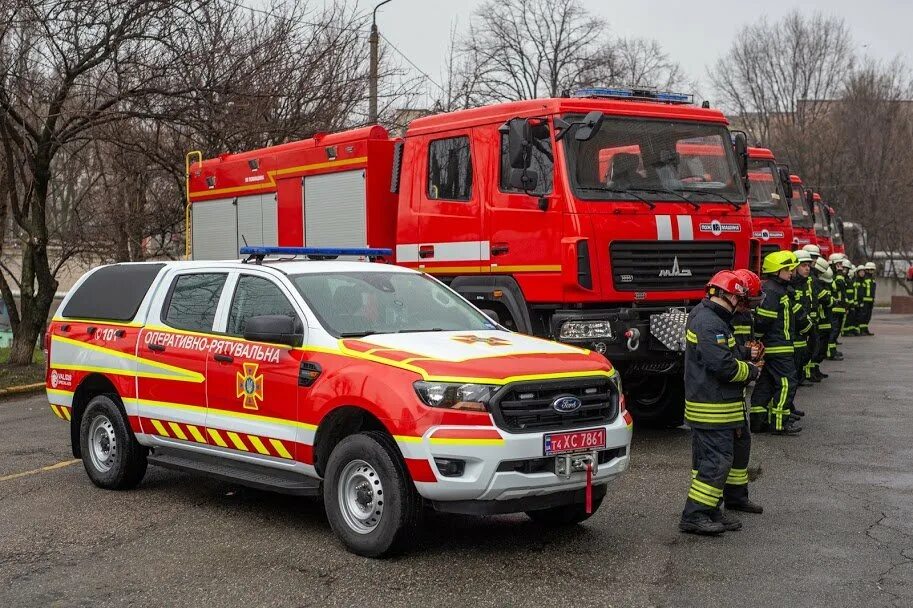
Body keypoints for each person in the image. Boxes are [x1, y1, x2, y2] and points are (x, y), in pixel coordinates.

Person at [680, 271, 762, 536]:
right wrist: (751, 370)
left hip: (720, 405)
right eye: (740, 298)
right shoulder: (708, 322)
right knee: (715, 463)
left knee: (716, 461)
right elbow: (722, 366)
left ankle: (712, 510)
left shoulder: (715, 319)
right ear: (728, 295)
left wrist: (744, 354)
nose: (741, 304)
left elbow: (723, 353)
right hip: (712, 407)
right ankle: (694, 515)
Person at [750, 250, 802, 436]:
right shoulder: (773, 290)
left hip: (776, 346)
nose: (790, 272)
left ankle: (757, 421)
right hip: (778, 347)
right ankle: (779, 423)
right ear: (776, 271)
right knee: (788, 382)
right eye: (787, 269)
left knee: (767, 383)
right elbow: (763, 321)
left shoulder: (776, 289)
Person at [791, 250, 816, 387]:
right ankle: (797, 379)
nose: (807, 268)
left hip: (804, 327)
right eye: (803, 265)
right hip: (795, 329)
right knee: (796, 355)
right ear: (795, 267)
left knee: (805, 352)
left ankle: (799, 378)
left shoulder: (805, 283)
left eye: (808, 265)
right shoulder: (792, 285)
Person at [808, 257, 834, 382]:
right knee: (816, 347)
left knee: (819, 347)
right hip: (819, 320)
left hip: (822, 319)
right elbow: (825, 299)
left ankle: (815, 369)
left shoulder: (814, 280)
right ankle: (810, 372)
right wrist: (831, 300)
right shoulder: (814, 281)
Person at [828, 256, 847, 361]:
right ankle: (830, 352)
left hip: (840, 308)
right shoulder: (831, 275)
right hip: (834, 307)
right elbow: (837, 286)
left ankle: (833, 349)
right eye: (838, 264)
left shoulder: (840, 276)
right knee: (833, 331)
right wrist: (840, 274)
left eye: (841, 264)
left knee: (836, 331)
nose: (841, 267)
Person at [859, 262, 877, 335]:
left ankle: (865, 329)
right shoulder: (864, 279)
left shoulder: (872, 279)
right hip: (864, 301)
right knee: (863, 315)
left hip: (870, 301)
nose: (871, 271)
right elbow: (861, 291)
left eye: (872, 270)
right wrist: (860, 300)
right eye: (870, 270)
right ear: (866, 270)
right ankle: (862, 330)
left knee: (868, 316)